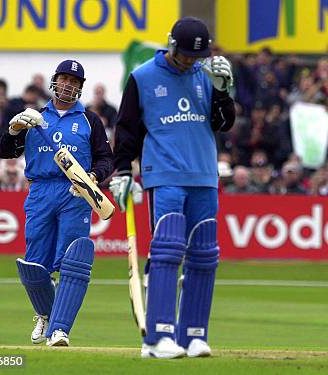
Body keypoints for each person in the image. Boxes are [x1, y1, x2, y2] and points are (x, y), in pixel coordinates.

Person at [111, 16, 235, 359]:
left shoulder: (206, 76)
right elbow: (127, 130)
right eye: (185, 56)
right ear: (171, 45)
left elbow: (222, 124)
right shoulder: (143, 77)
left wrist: (223, 92)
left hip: (204, 175)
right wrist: (123, 171)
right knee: (166, 248)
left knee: (205, 256)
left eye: (197, 56)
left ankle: (194, 333)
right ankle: (157, 336)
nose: (191, 62)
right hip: (163, 173)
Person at [0, 60, 113, 346]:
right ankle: (45, 314)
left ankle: (60, 329)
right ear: (54, 81)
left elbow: (105, 159)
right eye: (64, 79)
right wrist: (13, 130)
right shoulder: (34, 116)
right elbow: (5, 152)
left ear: (80, 88)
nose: (68, 85)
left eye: (75, 82)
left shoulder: (90, 120)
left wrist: (93, 176)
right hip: (40, 191)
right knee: (35, 264)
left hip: (75, 192)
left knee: (73, 261)